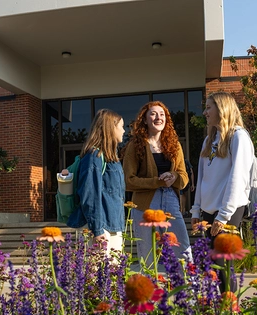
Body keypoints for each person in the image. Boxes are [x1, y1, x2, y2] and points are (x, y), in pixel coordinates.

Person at [190, 92, 255, 292]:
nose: (204, 112)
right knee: (215, 266)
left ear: (222, 109)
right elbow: (202, 178)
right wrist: (195, 209)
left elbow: (238, 177)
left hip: (228, 210)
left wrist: (224, 215)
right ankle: (221, 308)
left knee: (225, 264)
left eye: (209, 107)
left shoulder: (238, 137)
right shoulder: (209, 140)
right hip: (208, 211)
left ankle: (230, 311)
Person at [123, 101, 192, 267]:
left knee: (182, 249)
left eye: (162, 114)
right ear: (145, 120)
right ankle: (149, 291)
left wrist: (174, 177)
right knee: (147, 254)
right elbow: (128, 181)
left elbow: (184, 177)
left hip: (170, 201)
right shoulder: (135, 145)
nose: (158, 117)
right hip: (144, 204)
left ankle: (190, 289)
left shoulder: (174, 145)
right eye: (153, 114)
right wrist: (157, 181)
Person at [63, 109, 126, 256]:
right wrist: (97, 230)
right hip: (99, 228)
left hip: (113, 225)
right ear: (111, 128)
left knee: (113, 275)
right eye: (121, 126)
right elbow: (89, 195)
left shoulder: (112, 158)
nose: (124, 130)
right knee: (96, 276)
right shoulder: (94, 156)